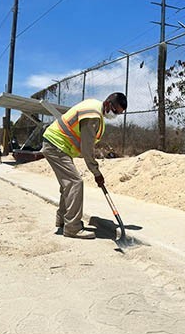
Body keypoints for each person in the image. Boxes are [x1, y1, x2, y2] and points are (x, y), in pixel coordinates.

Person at [41, 92, 127, 239]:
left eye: (118, 114)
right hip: (56, 146)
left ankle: (62, 220)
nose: (115, 115)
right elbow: (87, 151)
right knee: (75, 183)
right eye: (115, 111)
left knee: (68, 185)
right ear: (107, 104)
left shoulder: (95, 107)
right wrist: (97, 173)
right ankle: (72, 228)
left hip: (58, 145)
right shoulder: (93, 117)